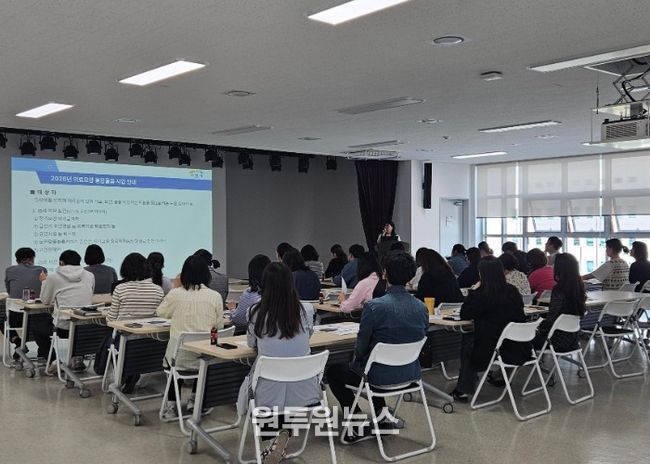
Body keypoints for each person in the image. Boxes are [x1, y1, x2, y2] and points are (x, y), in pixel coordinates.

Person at [327, 252, 429, 443]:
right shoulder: (422, 308)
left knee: (334, 371)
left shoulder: (374, 307)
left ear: (385, 274)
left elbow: (361, 348)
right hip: (411, 375)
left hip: (378, 377)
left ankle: (356, 420)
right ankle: (382, 419)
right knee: (372, 365)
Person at [236, 262, 319, 461]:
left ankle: (275, 438)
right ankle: (282, 436)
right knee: (287, 384)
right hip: (305, 388)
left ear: (264, 285)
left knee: (262, 383)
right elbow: (308, 336)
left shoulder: (255, 311)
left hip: (267, 389)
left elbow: (252, 343)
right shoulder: (306, 309)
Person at [452, 256, 528, 400]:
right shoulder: (512, 290)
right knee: (475, 339)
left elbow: (465, 313)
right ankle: (472, 381)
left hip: (493, 347)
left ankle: (463, 388)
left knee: (469, 339)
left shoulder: (482, 293)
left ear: (481, 273)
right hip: (518, 345)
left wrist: (473, 291)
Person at [158, 255, 224, 418]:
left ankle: (172, 405)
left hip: (178, 359)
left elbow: (161, 313)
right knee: (200, 358)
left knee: (175, 359)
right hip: (206, 358)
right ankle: (194, 399)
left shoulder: (176, 294)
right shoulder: (215, 296)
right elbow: (219, 327)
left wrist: (175, 287)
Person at [38, 250, 95, 371]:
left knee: (38, 329)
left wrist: (43, 282)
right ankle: (77, 357)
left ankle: (54, 361)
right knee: (77, 324)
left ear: (61, 263)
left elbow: (45, 300)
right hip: (85, 327)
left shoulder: (53, 277)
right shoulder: (90, 275)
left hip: (62, 327)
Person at [533, 253, 585, 352]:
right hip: (573, 340)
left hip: (555, 340)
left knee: (524, 338)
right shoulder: (579, 287)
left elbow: (552, 317)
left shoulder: (559, 289)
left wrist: (537, 327)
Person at [3, 248, 48, 358]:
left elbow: (10, 292)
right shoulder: (42, 270)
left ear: (17, 260)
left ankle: (18, 343)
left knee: (2, 320)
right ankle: (43, 348)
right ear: (33, 258)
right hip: (39, 318)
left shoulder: (10, 270)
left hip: (16, 319)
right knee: (43, 319)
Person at [106, 253, 164, 321]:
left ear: (124, 269)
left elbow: (111, 318)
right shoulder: (158, 290)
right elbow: (161, 315)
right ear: (147, 268)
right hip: (150, 327)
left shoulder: (120, 289)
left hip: (123, 327)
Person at [231, 255, 271, 329]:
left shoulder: (249, 294)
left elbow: (239, 321)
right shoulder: (279, 294)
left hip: (254, 333)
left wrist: (232, 309)